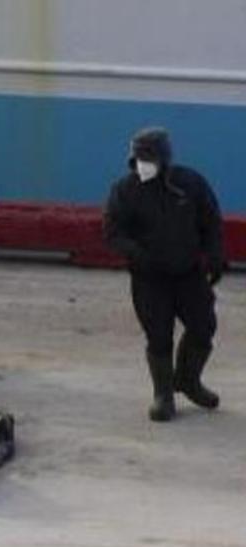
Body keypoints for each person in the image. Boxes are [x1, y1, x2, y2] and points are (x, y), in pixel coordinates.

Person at [104, 127, 224, 422]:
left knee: (203, 327)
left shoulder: (190, 184)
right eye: (137, 158)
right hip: (150, 279)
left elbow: (210, 219)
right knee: (158, 336)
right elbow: (114, 232)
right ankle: (164, 394)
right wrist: (138, 254)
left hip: (188, 273)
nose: (142, 164)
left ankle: (188, 380)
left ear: (164, 158)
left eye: (148, 158)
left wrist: (215, 256)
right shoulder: (125, 190)